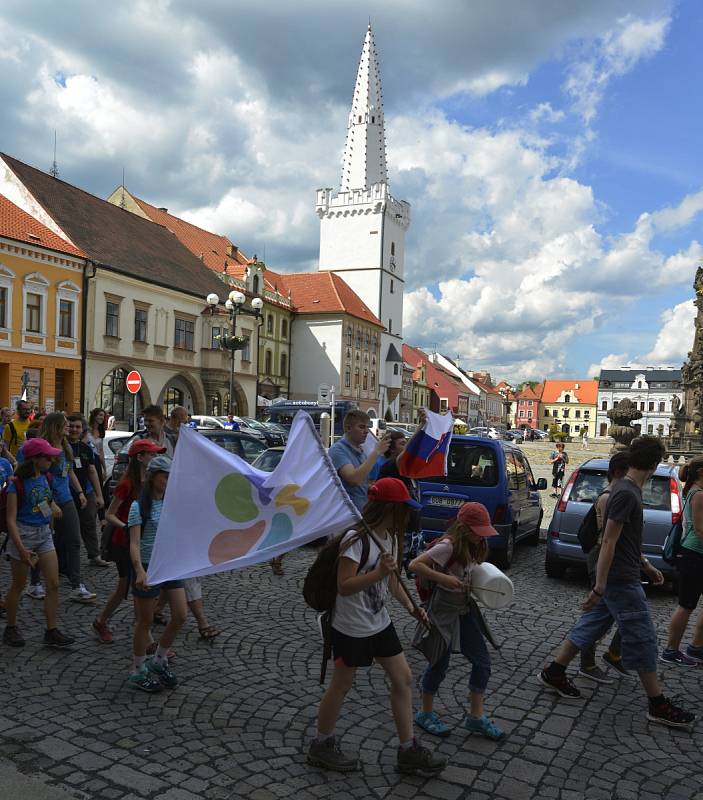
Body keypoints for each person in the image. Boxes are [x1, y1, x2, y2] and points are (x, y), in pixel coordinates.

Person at [538, 436, 696, 730]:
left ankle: (555, 671)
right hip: (620, 579)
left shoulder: (627, 490)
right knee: (644, 637)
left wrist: (647, 566)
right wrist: (599, 585)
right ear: (653, 465)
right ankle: (657, 704)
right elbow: (608, 540)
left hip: (623, 574)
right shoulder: (626, 494)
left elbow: (623, 541)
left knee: (591, 627)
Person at [307, 478, 446, 776]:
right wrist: (379, 572)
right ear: (389, 509)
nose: (409, 515)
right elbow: (344, 586)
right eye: (404, 509)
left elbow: (392, 581)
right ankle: (322, 743)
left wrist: (412, 609)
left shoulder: (392, 538)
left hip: (379, 623)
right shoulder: (356, 541)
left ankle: (408, 749)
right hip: (350, 627)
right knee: (342, 685)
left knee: (403, 678)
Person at [410, 502, 504, 740]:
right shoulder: (447, 546)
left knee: (482, 662)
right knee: (438, 664)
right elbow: (414, 565)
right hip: (441, 611)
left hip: (463, 610)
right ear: (463, 528)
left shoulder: (473, 545)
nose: (481, 536)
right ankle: (425, 713)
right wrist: (444, 578)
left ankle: (475, 717)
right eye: (477, 530)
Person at [2, 438, 74, 648]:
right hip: (23, 535)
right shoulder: (16, 484)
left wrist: (51, 505)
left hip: (44, 534)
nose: (51, 459)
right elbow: (11, 520)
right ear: (34, 459)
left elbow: (42, 497)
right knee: (19, 585)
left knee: (53, 583)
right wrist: (21, 549)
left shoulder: (46, 477)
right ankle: (11, 627)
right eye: (47, 457)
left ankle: (51, 630)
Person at [92, 439, 166, 644]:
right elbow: (109, 514)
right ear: (140, 458)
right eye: (152, 454)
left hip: (142, 542)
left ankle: (103, 621)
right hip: (124, 542)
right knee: (130, 587)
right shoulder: (127, 483)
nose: (155, 458)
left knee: (127, 588)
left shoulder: (152, 483)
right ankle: (147, 640)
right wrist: (127, 526)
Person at [128, 455, 187, 692]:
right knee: (145, 621)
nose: (170, 481)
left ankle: (159, 660)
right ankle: (137, 669)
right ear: (153, 478)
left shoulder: (174, 502)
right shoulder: (138, 506)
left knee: (181, 615)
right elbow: (134, 543)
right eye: (166, 476)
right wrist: (139, 570)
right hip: (147, 566)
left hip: (169, 564)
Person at [25, 413, 93, 604]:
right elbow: (36, 477)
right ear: (55, 426)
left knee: (74, 539)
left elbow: (69, 470)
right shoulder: (41, 447)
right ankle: (35, 583)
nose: (69, 428)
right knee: (43, 539)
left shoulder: (66, 446)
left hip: (66, 498)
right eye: (65, 425)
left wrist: (79, 492)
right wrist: (50, 503)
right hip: (45, 502)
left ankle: (76, 585)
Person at [578, 451, 630, 681]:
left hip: (612, 558)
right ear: (620, 472)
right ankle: (588, 663)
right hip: (602, 557)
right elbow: (609, 539)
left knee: (617, 613)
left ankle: (613, 654)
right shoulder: (610, 497)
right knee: (599, 614)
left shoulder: (617, 494)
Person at [661, 455, 703, 666]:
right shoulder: (699, 494)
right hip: (694, 555)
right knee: (686, 605)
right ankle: (671, 650)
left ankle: (696, 647)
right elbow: (699, 529)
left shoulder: (696, 492)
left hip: (697, 554)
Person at [328, 409, 391, 512]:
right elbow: (354, 479)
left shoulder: (361, 451)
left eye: (367, 427)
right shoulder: (337, 450)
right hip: (347, 515)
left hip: (363, 510)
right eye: (361, 427)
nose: (366, 431)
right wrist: (376, 452)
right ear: (348, 428)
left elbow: (363, 481)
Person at [67, 414, 107, 572]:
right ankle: (64, 560)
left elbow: (92, 471)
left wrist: (99, 494)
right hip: (67, 492)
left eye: (78, 426)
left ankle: (94, 555)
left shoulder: (86, 448)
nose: (74, 429)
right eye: (71, 426)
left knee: (89, 523)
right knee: (68, 527)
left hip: (87, 490)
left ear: (83, 429)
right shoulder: (60, 446)